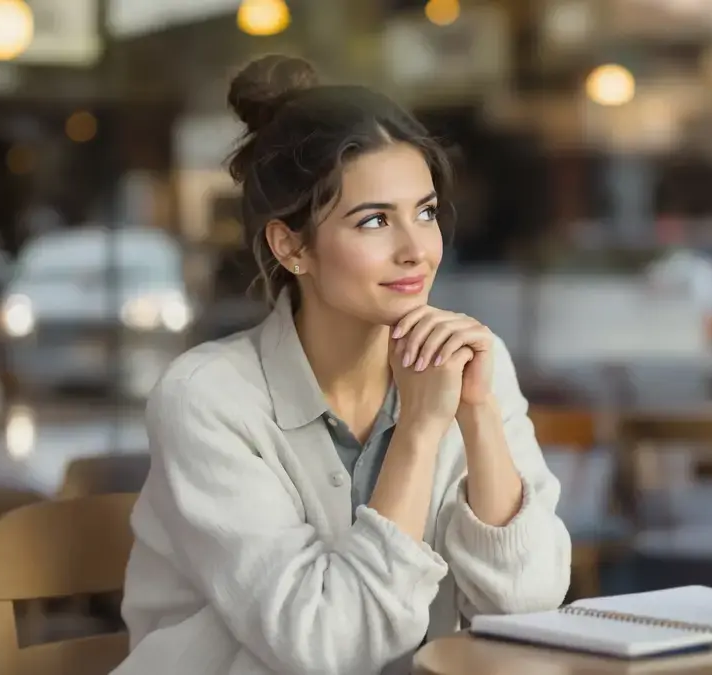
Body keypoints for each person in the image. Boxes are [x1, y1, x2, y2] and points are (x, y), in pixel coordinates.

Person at [113, 55, 571, 675]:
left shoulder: (467, 363)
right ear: (292, 246)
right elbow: (329, 647)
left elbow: (528, 604)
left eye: (427, 212)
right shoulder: (207, 398)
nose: (417, 250)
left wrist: (478, 413)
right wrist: (418, 432)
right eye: (375, 220)